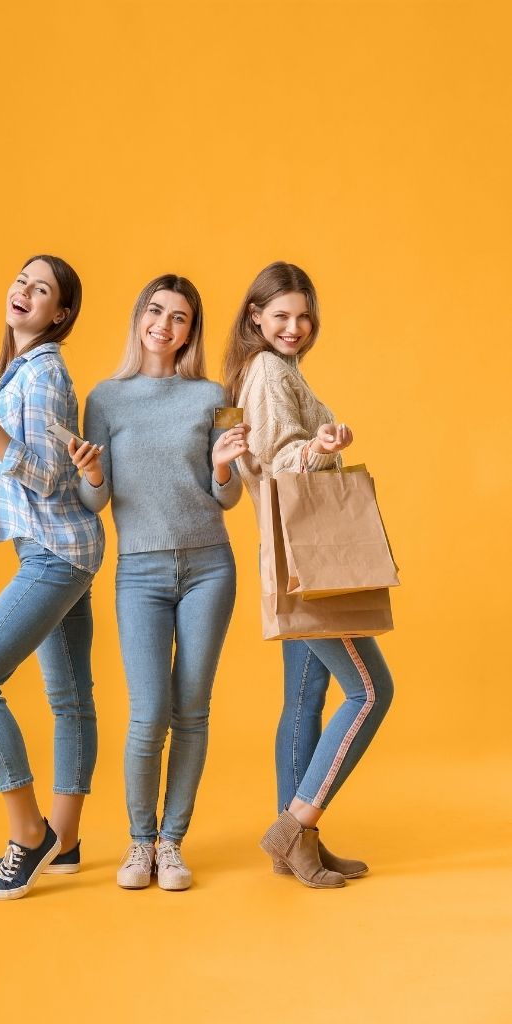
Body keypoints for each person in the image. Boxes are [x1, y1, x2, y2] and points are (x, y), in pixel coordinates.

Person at [70, 274, 247, 890]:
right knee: (148, 714)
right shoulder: (105, 398)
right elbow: (96, 499)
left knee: (190, 711)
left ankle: (172, 844)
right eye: (156, 311)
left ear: (190, 331)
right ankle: (139, 842)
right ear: (139, 317)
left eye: (180, 318)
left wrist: (224, 467)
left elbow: (228, 496)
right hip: (140, 570)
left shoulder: (210, 395)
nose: (164, 326)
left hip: (209, 567)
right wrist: (91, 473)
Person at [223, 261, 394, 889]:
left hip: (291, 556)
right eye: (280, 316)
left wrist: (325, 440)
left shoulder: (280, 369)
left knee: (304, 698)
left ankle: (299, 847)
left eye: (303, 316)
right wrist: (318, 449)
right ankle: (295, 824)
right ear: (255, 318)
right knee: (371, 692)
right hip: (307, 563)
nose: (294, 326)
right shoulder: (268, 371)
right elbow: (270, 460)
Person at [0, 254, 104, 901]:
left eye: (42, 290)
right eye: (22, 280)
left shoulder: (44, 377)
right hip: (60, 548)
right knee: (68, 700)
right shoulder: (19, 372)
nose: (25, 292)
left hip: (54, 553)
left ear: (59, 313)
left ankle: (30, 834)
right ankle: (63, 844)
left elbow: (47, 476)